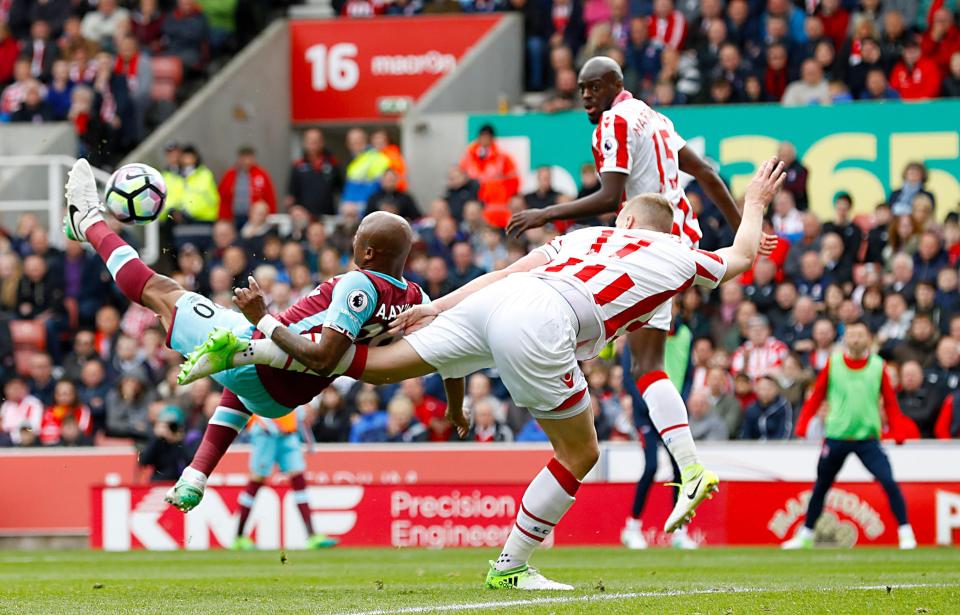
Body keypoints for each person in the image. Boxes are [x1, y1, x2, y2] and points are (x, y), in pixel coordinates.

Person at [185, 159, 786, 590]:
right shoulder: (676, 254)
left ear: (625, 217)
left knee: (377, 369)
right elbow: (738, 258)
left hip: (503, 300)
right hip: (548, 319)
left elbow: (505, 273)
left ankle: (252, 349)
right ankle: (513, 564)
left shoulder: (584, 236)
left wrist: (437, 307)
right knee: (581, 453)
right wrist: (755, 204)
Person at [61, 158, 445, 514]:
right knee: (238, 380)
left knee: (160, 292)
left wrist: (262, 319)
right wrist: (456, 404)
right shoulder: (417, 298)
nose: (352, 241)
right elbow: (447, 348)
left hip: (273, 361)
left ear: (367, 252)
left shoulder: (358, 284)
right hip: (285, 397)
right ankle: (196, 474)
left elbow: (325, 355)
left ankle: (89, 220)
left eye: (358, 237)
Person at [503, 57, 773, 530]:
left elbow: (611, 196)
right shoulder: (655, 116)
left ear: (615, 86)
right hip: (674, 249)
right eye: (581, 89)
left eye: (594, 88)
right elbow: (707, 174)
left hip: (645, 251)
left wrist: (546, 213)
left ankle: (684, 466)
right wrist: (741, 229)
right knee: (645, 365)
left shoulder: (616, 121)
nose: (586, 97)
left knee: (582, 312)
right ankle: (688, 467)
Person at [783, 321, 918, 549]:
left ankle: (906, 533)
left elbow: (891, 403)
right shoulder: (833, 364)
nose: (855, 339)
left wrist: (897, 431)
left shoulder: (877, 366)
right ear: (845, 339)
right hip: (836, 438)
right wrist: (803, 425)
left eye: (860, 335)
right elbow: (816, 396)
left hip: (868, 439)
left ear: (868, 339)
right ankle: (806, 535)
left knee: (888, 481)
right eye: (852, 335)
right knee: (821, 486)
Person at [231, 409, 336, 550]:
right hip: (265, 434)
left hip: (288, 434)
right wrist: (269, 424)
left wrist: (307, 436)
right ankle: (239, 537)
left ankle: (312, 537)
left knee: (299, 479)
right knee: (256, 480)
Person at [218, 146, 277, 227]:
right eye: (243, 158)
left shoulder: (261, 175)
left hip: (255, 218)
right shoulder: (230, 175)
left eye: (249, 158)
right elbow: (222, 197)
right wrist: (222, 217)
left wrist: (271, 217)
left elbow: (270, 197)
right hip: (234, 217)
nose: (246, 161)